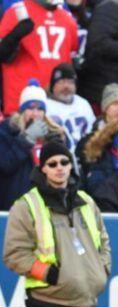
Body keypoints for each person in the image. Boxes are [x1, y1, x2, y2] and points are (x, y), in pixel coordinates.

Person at [3, 141, 111, 307]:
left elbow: (104, 241)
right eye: (52, 164)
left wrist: (101, 269)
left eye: (64, 162)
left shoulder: (85, 201)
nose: (60, 168)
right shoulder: (26, 205)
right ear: (43, 169)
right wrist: (51, 275)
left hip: (84, 299)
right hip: (48, 299)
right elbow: (14, 254)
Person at [0, 0, 78, 114]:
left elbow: (70, 60)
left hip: (58, 107)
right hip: (22, 105)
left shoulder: (67, 19)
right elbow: (3, 54)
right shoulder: (17, 12)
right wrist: (14, 37)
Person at [0, 79, 64, 210]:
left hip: (47, 205)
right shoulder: (7, 131)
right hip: (16, 205)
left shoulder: (53, 134)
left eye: (40, 109)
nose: (35, 113)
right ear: (22, 110)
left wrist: (56, 144)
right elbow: (5, 165)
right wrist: (26, 140)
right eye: (31, 108)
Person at [46, 63, 96, 153]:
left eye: (70, 82)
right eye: (61, 82)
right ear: (52, 86)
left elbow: (93, 132)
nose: (66, 86)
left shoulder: (83, 104)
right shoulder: (46, 106)